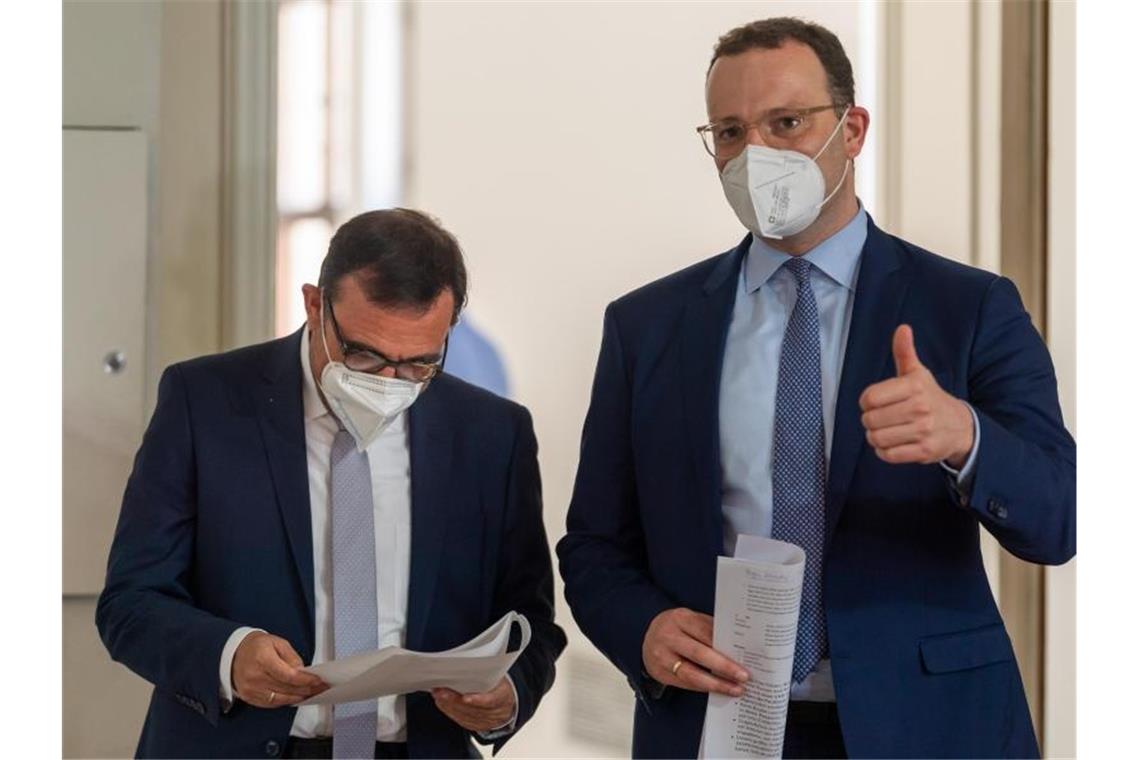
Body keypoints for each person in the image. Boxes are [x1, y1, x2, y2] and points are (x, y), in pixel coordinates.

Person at [557, 17, 1074, 760]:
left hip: (929, 723)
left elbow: (1063, 517)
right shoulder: (648, 326)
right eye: (730, 133)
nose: (755, 154)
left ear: (853, 130)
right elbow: (595, 545)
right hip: (717, 723)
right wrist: (642, 627)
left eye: (787, 122)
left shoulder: (967, 307)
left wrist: (967, 437)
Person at [97, 209, 566, 759]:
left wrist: (507, 696)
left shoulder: (492, 434)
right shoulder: (205, 402)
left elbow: (530, 621)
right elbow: (130, 602)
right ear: (315, 305)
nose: (390, 382)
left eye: (419, 364)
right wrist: (227, 655)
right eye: (364, 354)